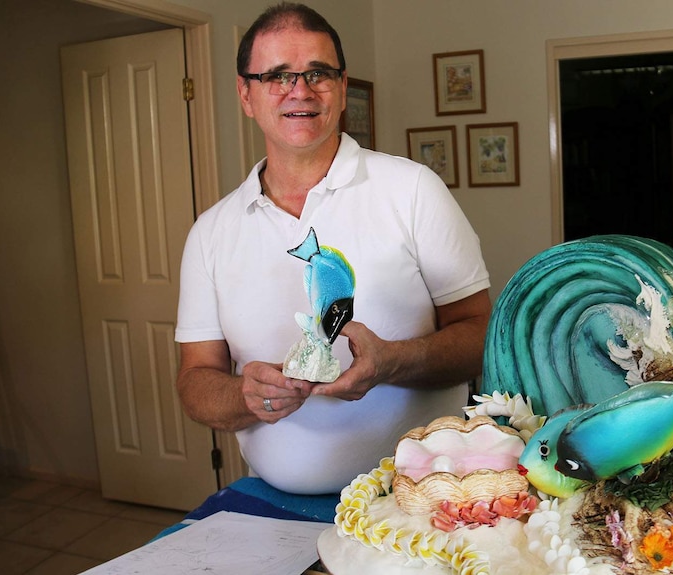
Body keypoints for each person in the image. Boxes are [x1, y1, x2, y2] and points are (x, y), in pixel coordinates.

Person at [175, 2, 491, 495]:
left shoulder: (412, 190)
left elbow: (482, 335)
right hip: (276, 505)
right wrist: (245, 394)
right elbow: (196, 381)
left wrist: (394, 362)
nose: (299, 90)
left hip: (425, 500)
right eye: (277, 75)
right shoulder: (210, 233)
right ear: (245, 94)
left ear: (342, 88)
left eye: (317, 73)